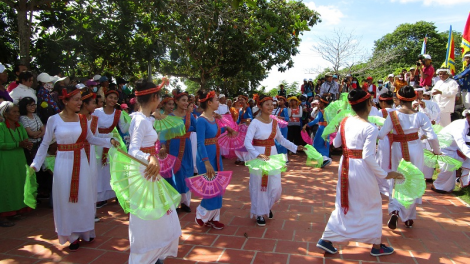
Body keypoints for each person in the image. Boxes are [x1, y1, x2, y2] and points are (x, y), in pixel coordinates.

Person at [316, 89, 403, 257]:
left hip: (346, 166)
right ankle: (376, 245)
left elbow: (335, 143)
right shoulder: (370, 127)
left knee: (344, 202)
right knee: (372, 203)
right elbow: (368, 157)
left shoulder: (345, 121)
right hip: (362, 168)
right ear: (369, 104)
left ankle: (327, 238)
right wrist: (385, 174)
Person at [31, 86, 118, 250]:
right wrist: (35, 164)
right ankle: (71, 235)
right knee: (65, 198)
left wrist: (109, 141)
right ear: (65, 101)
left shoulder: (83, 120)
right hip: (63, 162)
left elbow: (91, 139)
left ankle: (86, 231)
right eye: (76, 99)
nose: (80, 103)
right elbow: (44, 144)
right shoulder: (53, 120)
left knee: (84, 197)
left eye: (81, 99)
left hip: (81, 161)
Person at [127, 79, 181, 264]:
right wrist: (149, 157)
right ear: (155, 97)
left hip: (149, 171)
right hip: (145, 171)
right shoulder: (140, 120)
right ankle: (145, 256)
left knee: (158, 214)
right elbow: (132, 150)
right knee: (148, 215)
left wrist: (155, 116)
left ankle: (154, 254)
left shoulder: (145, 118)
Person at [378, 86, 440, 229]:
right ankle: (408, 216)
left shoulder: (393, 115)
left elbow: (381, 135)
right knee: (413, 180)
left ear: (399, 99)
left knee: (398, 179)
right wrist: (437, 151)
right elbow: (432, 135)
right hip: (416, 148)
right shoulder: (421, 116)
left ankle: (395, 209)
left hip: (398, 149)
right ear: (414, 99)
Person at [244, 95, 304, 226]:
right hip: (258, 157)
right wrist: (257, 154)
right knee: (258, 185)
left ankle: (267, 207)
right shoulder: (255, 122)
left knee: (275, 187)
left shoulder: (274, 122)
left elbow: (281, 139)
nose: (271, 107)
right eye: (267, 104)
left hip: (272, 155)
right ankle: (260, 212)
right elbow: (247, 142)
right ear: (260, 106)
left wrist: (295, 147)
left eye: (272, 104)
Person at [194, 90, 236, 229]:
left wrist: (227, 129)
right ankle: (201, 213)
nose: (219, 102)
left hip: (216, 156)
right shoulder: (201, 120)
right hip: (206, 158)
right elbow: (200, 143)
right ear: (209, 103)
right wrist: (206, 162)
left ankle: (214, 218)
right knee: (210, 189)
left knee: (218, 187)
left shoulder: (213, 118)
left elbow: (216, 133)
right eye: (217, 100)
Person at [93, 89, 130, 208]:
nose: (112, 100)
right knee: (99, 168)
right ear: (105, 98)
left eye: (115, 98)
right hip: (98, 141)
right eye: (110, 97)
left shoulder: (118, 113)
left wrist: (127, 118)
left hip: (112, 141)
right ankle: (100, 197)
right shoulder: (97, 112)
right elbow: (92, 127)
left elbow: (124, 129)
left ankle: (113, 194)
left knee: (111, 168)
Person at [160, 90, 196, 212]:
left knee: (186, 172)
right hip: (173, 147)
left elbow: (199, 128)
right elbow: (163, 134)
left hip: (186, 147)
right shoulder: (169, 117)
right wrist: (163, 146)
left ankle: (185, 202)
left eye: (187, 101)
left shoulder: (189, 116)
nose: (186, 103)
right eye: (183, 100)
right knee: (175, 173)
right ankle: (174, 202)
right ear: (176, 101)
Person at [0, 101, 33, 227]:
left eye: (18, 111)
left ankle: (14, 211)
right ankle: (3, 215)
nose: (17, 114)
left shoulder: (19, 126)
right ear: (5, 114)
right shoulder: (1, 127)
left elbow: (24, 140)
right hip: (5, 161)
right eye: (14, 112)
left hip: (19, 160)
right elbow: (1, 144)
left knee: (17, 184)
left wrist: (27, 144)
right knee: (5, 186)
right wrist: (18, 144)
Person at [432, 110, 470, 193]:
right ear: (467, 116)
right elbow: (461, 142)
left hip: (452, 148)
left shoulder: (466, 125)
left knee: (453, 171)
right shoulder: (461, 126)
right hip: (443, 148)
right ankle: (437, 185)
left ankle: (458, 183)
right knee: (447, 169)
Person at [78, 90, 100, 222]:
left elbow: (95, 138)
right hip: (78, 153)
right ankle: (80, 213)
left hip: (90, 153)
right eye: (93, 103)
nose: (95, 106)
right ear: (85, 105)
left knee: (91, 181)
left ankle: (92, 212)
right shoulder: (75, 118)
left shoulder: (95, 120)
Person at [303, 96, 332, 168]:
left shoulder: (321, 111)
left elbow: (316, 120)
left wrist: (307, 124)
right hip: (327, 129)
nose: (319, 104)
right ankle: (324, 158)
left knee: (316, 144)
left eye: (320, 102)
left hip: (321, 129)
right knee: (324, 144)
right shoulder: (328, 111)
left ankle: (323, 159)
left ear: (322, 103)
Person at [376, 92, 395, 196]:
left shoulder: (381, 112)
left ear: (383, 102)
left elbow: (378, 126)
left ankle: (384, 186)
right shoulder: (397, 111)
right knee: (392, 161)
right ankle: (391, 184)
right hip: (395, 139)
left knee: (383, 161)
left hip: (385, 138)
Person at [19, 97, 45, 164]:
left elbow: (44, 130)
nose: (33, 107)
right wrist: (40, 132)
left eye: (34, 105)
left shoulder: (35, 116)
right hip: (31, 146)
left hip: (39, 143)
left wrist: (39, 133)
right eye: (30, 105)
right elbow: (30, 133)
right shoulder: (23, 118)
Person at [273, 96, 289, 161]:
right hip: (276, 126)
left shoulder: (284, 109)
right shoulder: (276, 109)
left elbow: (287, 118)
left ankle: (285, 158)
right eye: (279, 100)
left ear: (284, 101)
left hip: (283, 127)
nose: (280, 101)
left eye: (281, 100)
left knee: (282, 141)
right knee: (276, 142)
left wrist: (280, 117)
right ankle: (279, 157)